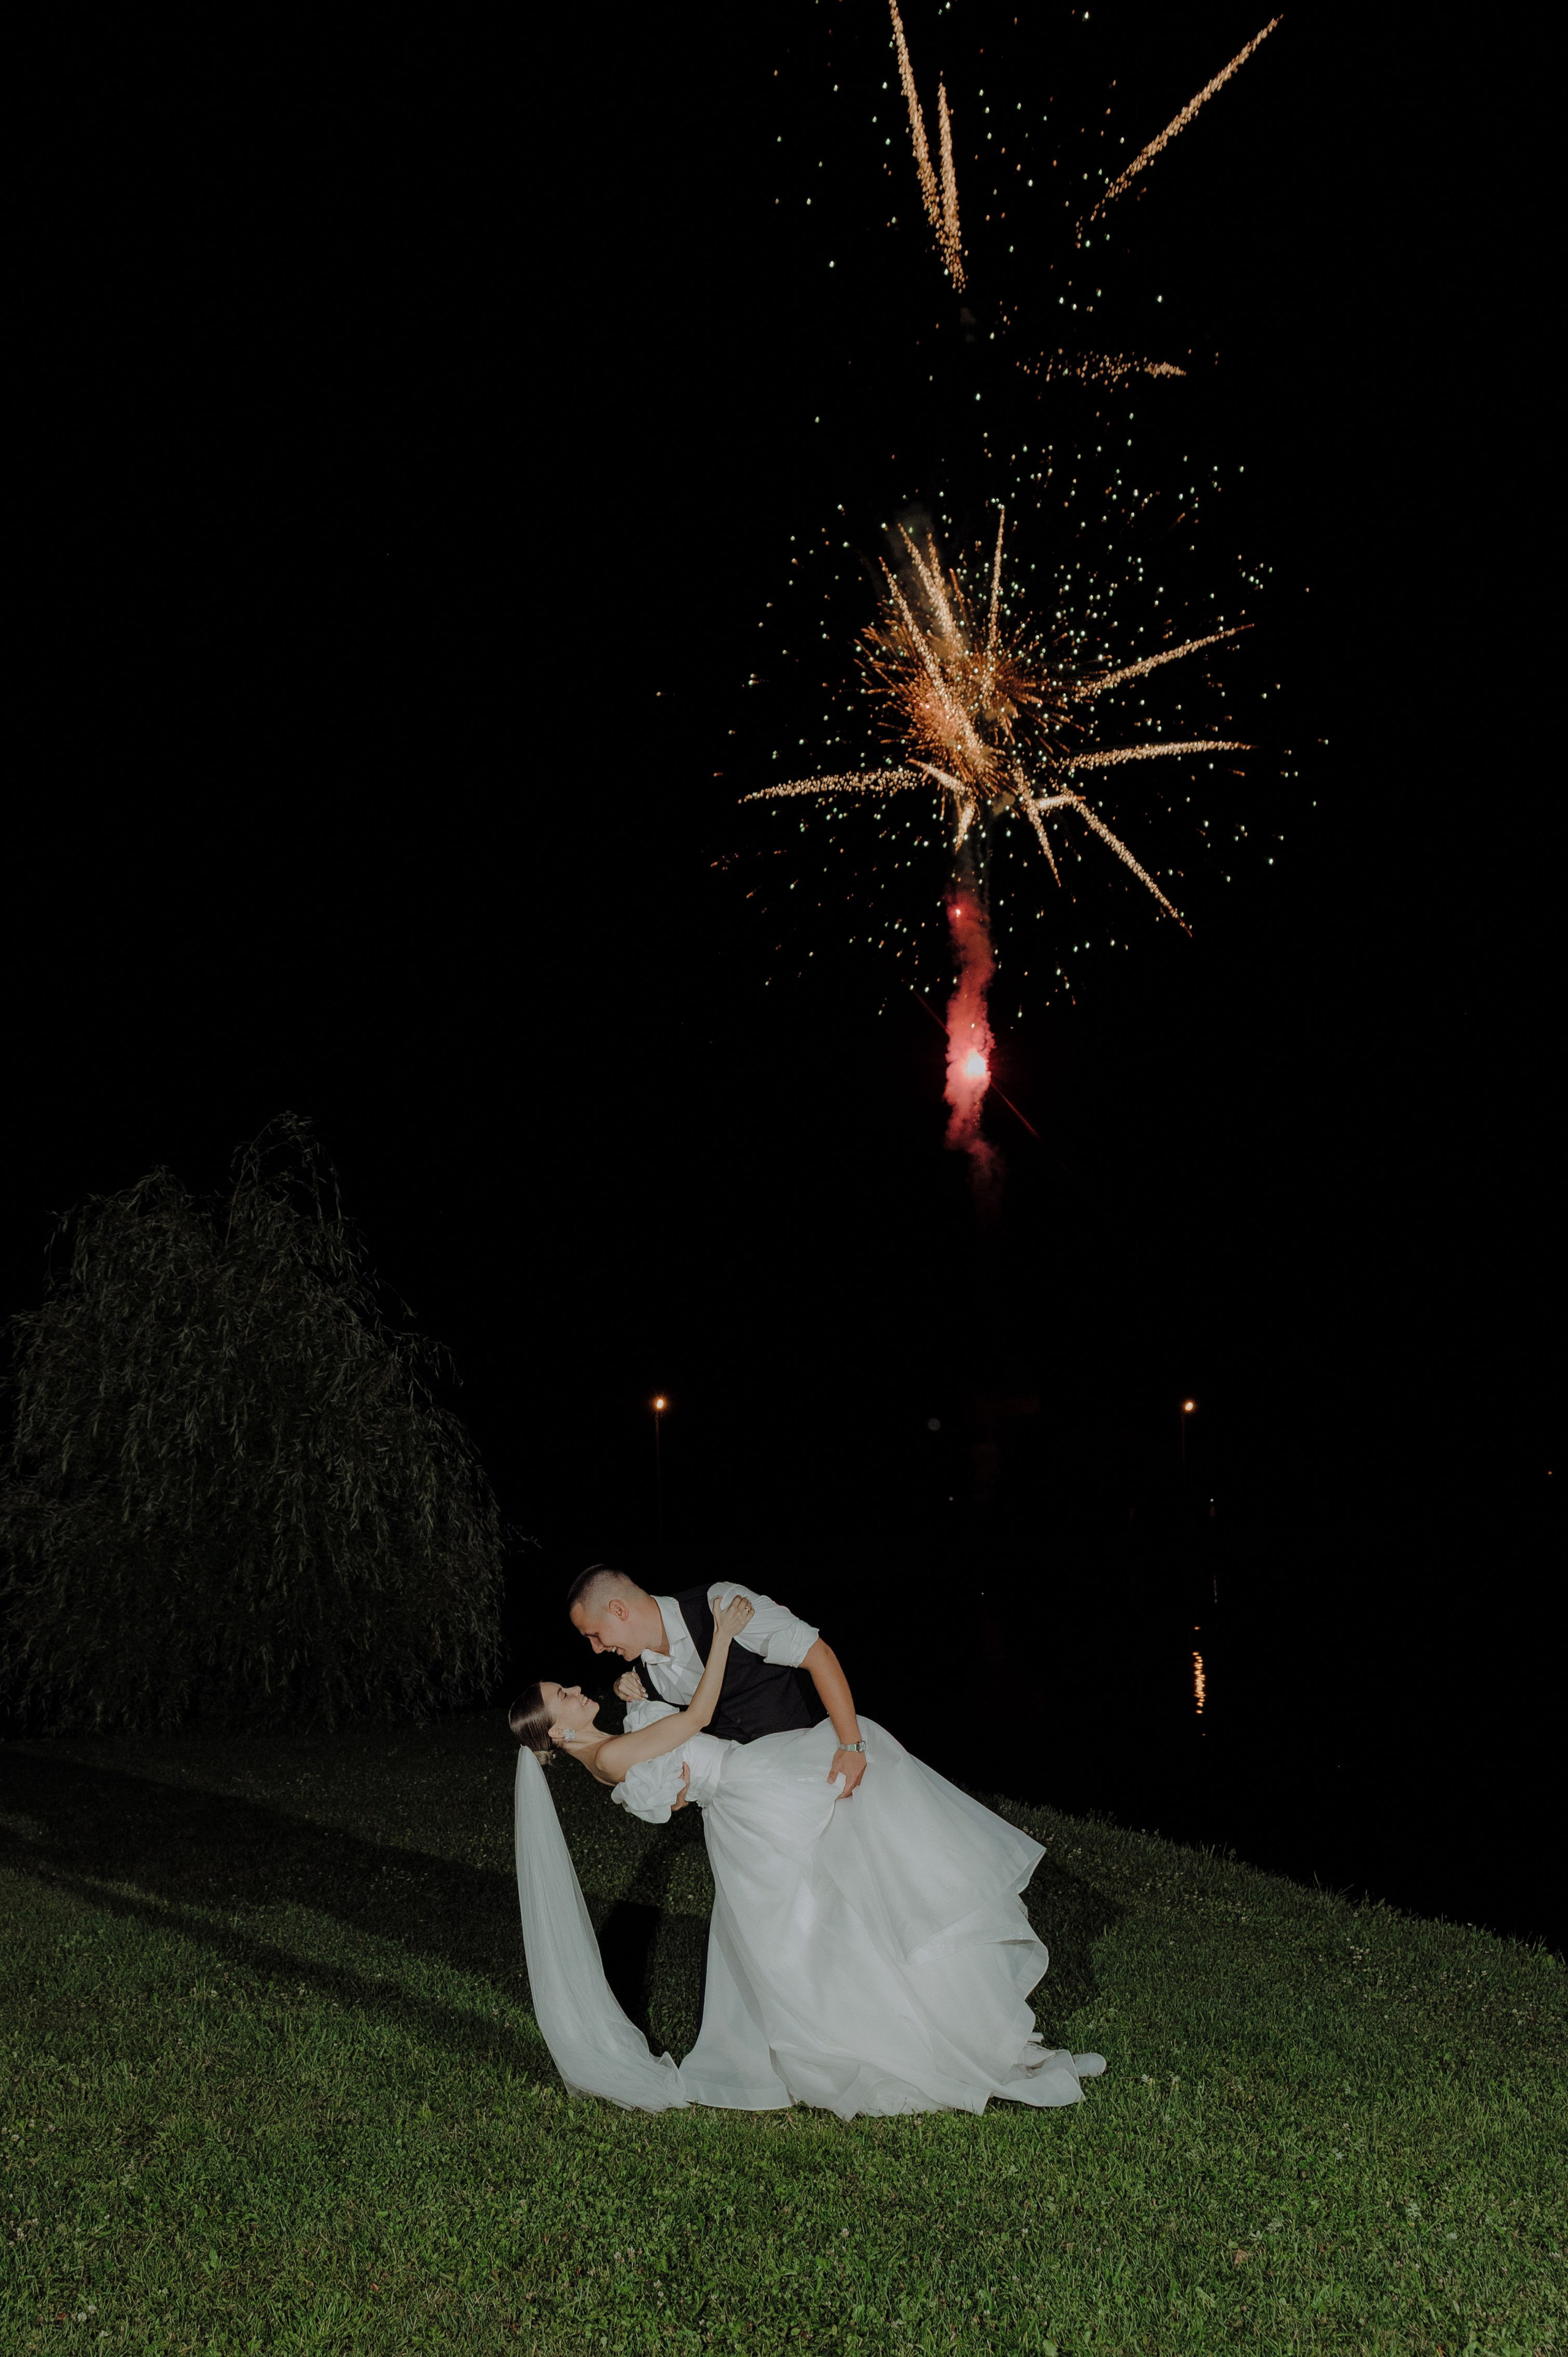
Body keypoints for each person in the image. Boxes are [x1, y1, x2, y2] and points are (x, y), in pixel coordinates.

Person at [510, 1585, 1106, 2118]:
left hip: (746, 1792)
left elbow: (666, 1794)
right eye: (563, 1694)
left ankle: (921, 2020)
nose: (577, 1679)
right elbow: (695, 1718)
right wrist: (719, 1639)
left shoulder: (607, 1751)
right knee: (841, 1890)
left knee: (822, 1913)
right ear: (557, 1733)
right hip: (756, 1789)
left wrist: (640, 1708)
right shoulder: (610, 1756)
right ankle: (911, 2026)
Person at [565, 1563, 868, 1796]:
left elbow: (818, 1654)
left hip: (827, 1760)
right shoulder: (646, 1679)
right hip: (766, 1798)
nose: (596, 1648)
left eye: (594, 1634)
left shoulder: (720, 1605)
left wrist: (851, 1746)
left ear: (619, 1610)